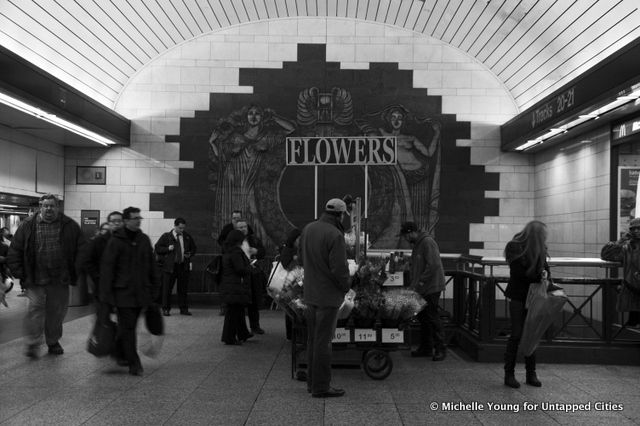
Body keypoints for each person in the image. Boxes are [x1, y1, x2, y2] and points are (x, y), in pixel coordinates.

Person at [7, 194, 85, 358]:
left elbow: (82, 250)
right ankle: (33, 342)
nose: (49, 208)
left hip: (60, 279)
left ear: (58, 207)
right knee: (35, 310)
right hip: (35, 278)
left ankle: (53, 341)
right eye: (46, 205)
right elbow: (15, 250)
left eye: (52, 205)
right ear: (40, 207)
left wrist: (75, 271)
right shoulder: (27, 225)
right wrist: (20, 273)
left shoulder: (69, 226)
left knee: (56, 312)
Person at [299, 198, 351, 398]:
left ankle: (312, 383)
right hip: (328, 296)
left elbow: (301, 259)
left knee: (313, 340)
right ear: (341, 214)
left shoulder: (309, 229)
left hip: (311, 294)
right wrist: (346, 286)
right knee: (323, 342)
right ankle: (321, 387)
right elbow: (339, 269)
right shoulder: (335, 234)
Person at [100, 207, 160, 376]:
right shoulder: (116, 241)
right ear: (126, 221)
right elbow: (107, 270)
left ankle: (120, 352)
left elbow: (152, 265)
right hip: (123, 294)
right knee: (128, 328)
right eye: (134, 218)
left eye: (139, 217)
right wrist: (107, 297)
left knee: (129, 328)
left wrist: (155, 287)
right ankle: (134, 362)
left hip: (142, 293)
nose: (138, 220)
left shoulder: (143, 239)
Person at [503, 220, 548, 388]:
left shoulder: (541, 248)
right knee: (516, 334)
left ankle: (531, 373)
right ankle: (509, 374)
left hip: (534, 298)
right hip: (518, 296)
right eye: (543, 235)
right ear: (536, 234)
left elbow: (546, 269)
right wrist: (539, 275)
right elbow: (518, 273)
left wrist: (544, 273)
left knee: (532, 334)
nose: (545, 237)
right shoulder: (514, 246)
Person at [399, 221, 447, 361]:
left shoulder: (427, 242)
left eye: (406, 236)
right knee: (424, 318)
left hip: (431, 286)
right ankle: (426, 347)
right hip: (423, 287)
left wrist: (420, 281)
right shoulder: (419, 244)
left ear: (411, 232)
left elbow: (434, 265)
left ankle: (440, 348)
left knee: (432, 317)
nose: (406, 239)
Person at [601, 217, 640, 328]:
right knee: (633, 322)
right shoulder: (627, 248)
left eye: (639, 228)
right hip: (633, 288)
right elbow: (606, 255)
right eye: (633, 229)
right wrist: (620, 241)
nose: (636, 231)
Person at [155, 218, 198, 316]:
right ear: (175, 226)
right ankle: (166, 309)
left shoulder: (187, 236)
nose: (182, 230)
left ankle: (183, 309)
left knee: (182, 289)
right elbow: (157, 248)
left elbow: (194, 248)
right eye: (180, 228)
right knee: (167, 289)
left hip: (183, 266)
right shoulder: (166, 236)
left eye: (183, 228)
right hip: (170, 267)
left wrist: (190, 253)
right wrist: (167, 248)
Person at [219, 229, 253, 345]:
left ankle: (243, 333)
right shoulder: (236, 252)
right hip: (235, 286)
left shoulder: (227, 250)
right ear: (238, 241)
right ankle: (229, 338)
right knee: (233, 313)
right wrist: (251, 267)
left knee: (237, 311)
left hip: (230, 285)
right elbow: (240, 269)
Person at [236, 218, 266, 334]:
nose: (243, 229)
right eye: (240, 227)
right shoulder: (234, 241)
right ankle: (241, 328)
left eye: (245, 227)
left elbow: (263, 252)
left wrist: (257, 251)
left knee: (253, 300)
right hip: (241, 274)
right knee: (241, 302)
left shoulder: (253, 239)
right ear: (236, 229)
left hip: (253, 273)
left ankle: (255, 326)